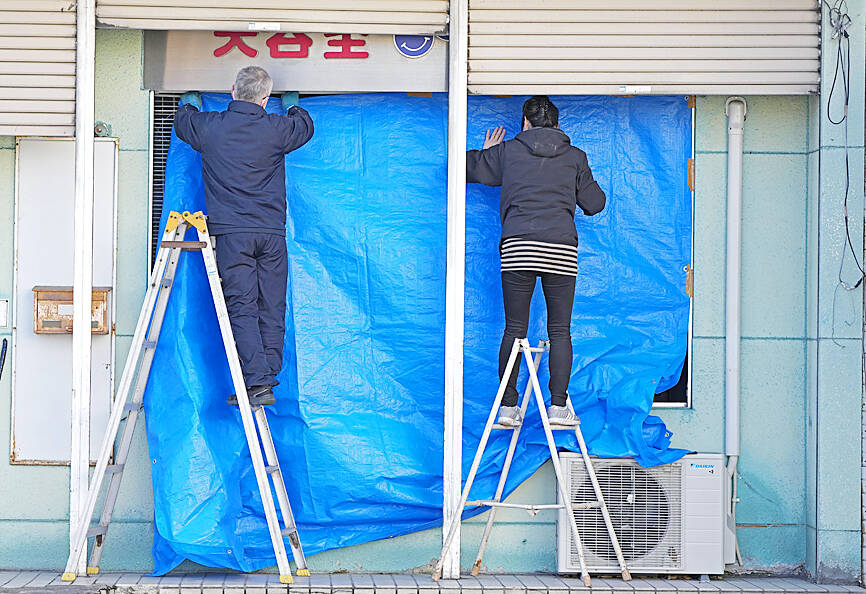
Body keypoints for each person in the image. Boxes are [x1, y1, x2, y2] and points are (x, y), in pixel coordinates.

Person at [174, 65, 314, 406]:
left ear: (232, 91)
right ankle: (265, 377)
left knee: (242, 306)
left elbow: (182, 122)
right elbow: (305, 127)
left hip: (232, 234)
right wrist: (294, 106)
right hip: (271, 234)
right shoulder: (277, 129)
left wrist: (189, 103)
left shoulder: (212, 128)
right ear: (265, 99)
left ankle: (258, 380)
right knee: (272, 304)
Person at [466, 95, 606, 427]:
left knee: (515, 328)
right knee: (560, 330)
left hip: (518, 248)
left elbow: (465, 167)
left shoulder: (509, 151)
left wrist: (489, 153)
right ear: (558, 126)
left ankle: (508, 407)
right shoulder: (575, 157)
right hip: (560, 250)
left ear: (524, 124)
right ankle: (558, 407)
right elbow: (596, 203)